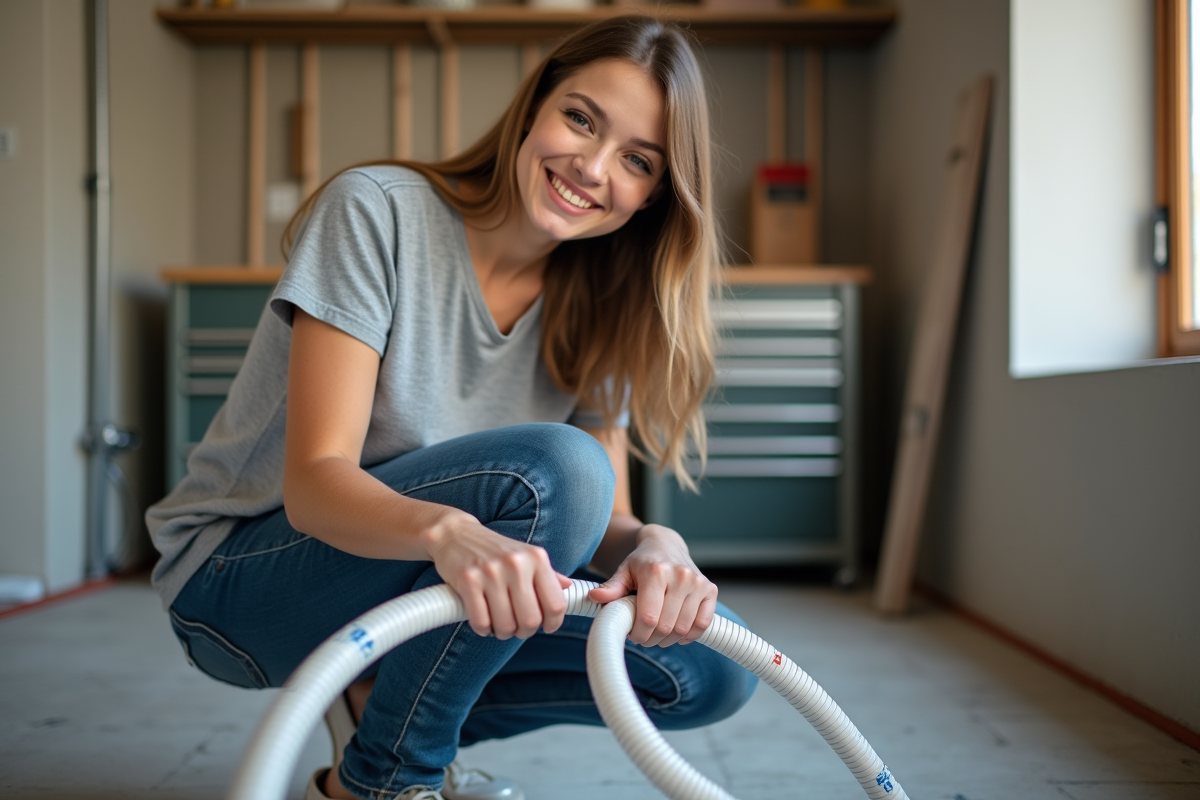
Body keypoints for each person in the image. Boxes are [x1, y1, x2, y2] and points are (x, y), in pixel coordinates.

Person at [146, 15, 757, 800]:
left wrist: (657, 543)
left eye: (636, 160)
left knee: (705, 667)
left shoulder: (606, 297)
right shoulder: (375, 212)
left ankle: (382, 730)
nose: (592, 166)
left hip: (415, 586)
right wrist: (450, 534)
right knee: (556, 471)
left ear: (654, 197)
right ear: (535, 105)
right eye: (580, 118)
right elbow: (315, 481)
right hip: (240, 583)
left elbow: (603, 520)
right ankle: (391, 780)